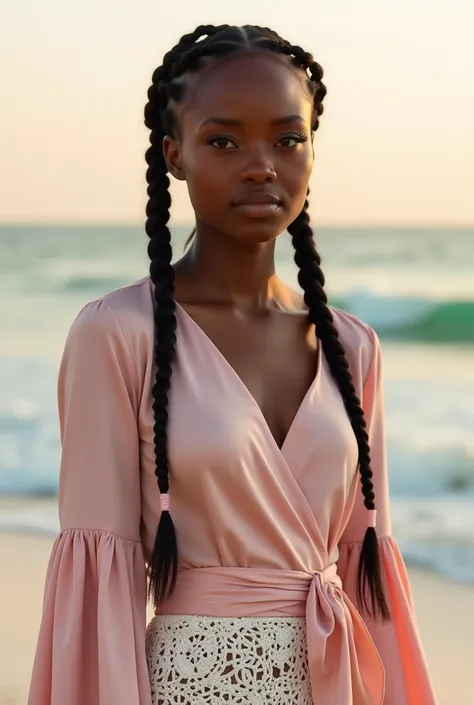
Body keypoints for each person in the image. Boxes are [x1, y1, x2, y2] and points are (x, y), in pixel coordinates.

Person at [27, 24, 437, 705]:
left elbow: (369, 574)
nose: (261, 165)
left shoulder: (353, 347)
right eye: (223, 140)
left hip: (333, 681)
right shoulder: (118, 333)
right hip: (191, 686)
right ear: (174, 156)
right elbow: (100, 578)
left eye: (287, 138)